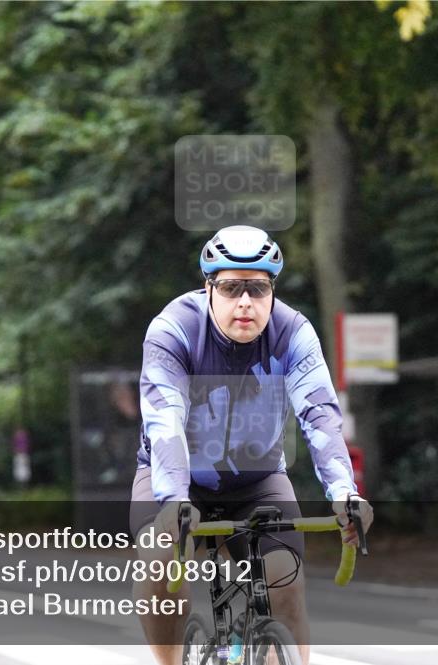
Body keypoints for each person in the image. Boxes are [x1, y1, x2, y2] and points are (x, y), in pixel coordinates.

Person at [129, 225, 373, 665]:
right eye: (231, 288)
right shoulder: (174, 330)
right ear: (208, 288)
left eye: (258, 289)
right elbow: (164, 420)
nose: (245, 301)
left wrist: (344, 494)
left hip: (256, 481)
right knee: (160, 563)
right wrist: (174, 500)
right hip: (175, 480)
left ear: (272, 291)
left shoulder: (293, 333)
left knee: (285, 585)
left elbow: (319, 414)